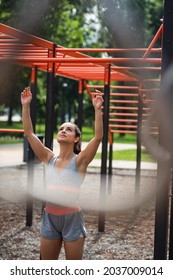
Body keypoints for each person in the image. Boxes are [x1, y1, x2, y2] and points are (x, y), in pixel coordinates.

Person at [21, 87, 103, 260]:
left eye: (69, 129)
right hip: (49, 217)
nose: (63, 130)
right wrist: (26, 106)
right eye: (61, 128)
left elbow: (97, 138)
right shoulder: (48, 157)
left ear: (76, 139)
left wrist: (97, 110)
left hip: (72, 218)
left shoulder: (80, 161)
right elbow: (29, 133)